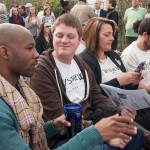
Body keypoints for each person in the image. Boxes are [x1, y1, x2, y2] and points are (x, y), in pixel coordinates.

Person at [0, 23, 140, 150]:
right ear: (5, 52)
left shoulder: (19, 89)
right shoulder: (42, 69)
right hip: (64, 137)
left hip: (79, 127)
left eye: (70, 36)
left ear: (80, 40)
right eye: (29, 48)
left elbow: (31, 132)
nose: (36, 54)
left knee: (135, 134)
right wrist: (96, 133)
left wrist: (52, 126)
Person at [80, 17, 141, 90]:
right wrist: (117, 82)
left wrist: (132, 83)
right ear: (93, 36)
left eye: (112, 34)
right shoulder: (84, 60)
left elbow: (125, 87)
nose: (112, 38)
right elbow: (91, 93)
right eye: (107, 35)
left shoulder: (114, 55)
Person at [121, 18, 150, 131]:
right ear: (145, 35)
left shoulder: (148, 49)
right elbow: (132, 85)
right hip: (142, 102)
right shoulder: (129, 54)